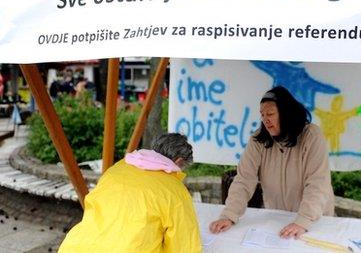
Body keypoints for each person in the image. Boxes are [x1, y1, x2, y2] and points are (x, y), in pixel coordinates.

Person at [209, 86, 334, 239]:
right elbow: (244, 179)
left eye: (270, 114)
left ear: (286, 113)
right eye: (262, 115)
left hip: (314, 219)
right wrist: (229, 215)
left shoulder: (311, 136)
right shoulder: (258, 140)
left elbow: (317, 182)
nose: (265, 120)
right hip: (278, 218)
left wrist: (303, 221)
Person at [59, 133, 202, 253]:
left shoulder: (118, 168)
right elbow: (184, 244)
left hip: (77, 246)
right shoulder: (174, 190)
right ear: (179, 161)